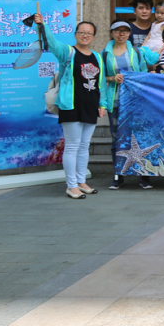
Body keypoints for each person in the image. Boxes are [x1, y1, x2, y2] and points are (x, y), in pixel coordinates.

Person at [33, 14, 106, 199]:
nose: (85, 35)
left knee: (84, 146)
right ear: (75, 34)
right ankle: (71, 185)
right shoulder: (68, 52)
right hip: (71, 105)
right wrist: (42, 25)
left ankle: (81, 182)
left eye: (89, 33)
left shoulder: (97, 57)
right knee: (72, 146)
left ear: (93, 36)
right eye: (82, 32)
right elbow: (52, 42)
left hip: (90, 106)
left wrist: (103, 104)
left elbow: (102, 83)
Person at [103, 21, 153, 191]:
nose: (121, 34)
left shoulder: (136, 52)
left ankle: (143, 174)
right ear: (112, 32)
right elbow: (101, 77)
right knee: (116, 138)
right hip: (115, 101)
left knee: (139, 137)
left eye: (125, 31)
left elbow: (143, 74)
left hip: (135, 101)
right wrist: (112, 78)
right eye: (118, 30)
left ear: (129, 33)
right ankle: (118, 175)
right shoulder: (105, 53)